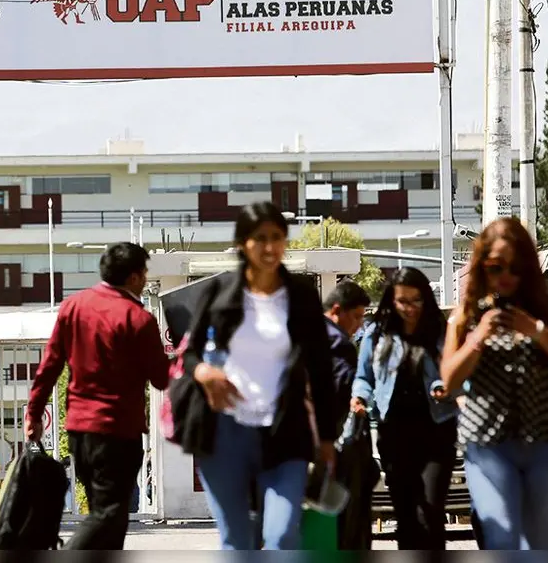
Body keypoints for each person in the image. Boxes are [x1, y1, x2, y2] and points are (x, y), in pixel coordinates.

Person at [179, 201, 337, 551]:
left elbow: (322, 370)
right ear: (241, 243)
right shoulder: (218, 293)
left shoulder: (301, 297)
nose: (270, 247)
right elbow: (188, 354)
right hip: (224, 433)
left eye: (278, 237)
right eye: (260, 238)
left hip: (285, 432)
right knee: (237, 540)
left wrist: (327, 439)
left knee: (282, 536)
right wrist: (203, 371)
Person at [440, 217, 548, 550]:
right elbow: (448, 379)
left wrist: (535, 330)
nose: (506, 276)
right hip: (488, 444)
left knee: (538, 542)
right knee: (503, 536)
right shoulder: (467, 315)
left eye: (516, 267)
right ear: (483, 268)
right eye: (496, 267)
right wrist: (478, 337)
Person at [25, 241, 170, 550]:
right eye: (144, 273)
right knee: (109, 515)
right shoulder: (138, 319)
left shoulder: (73, 307)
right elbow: (160, 379)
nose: (145, 280)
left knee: (106, 516)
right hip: (119, 432)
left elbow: (50, 365)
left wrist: (33, 414)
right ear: (133, 277)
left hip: (80, 431)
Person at [351, 267, 458, 550]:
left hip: (437, 430)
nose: (410, 308)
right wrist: (360, 398)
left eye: (416, 300)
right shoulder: (377, 333)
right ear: (391, 301)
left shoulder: (439, 329)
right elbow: (363, 377)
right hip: (395, 434)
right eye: (403, 301)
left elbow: (455, 372)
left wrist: (445, 386)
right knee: (406, 515)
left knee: (430, 511)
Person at [322, 279, 371, 427]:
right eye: (356, 317)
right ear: (336, 311)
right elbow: (341, 387)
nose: (360, 324)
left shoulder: (306, 331)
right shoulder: (339, 343)